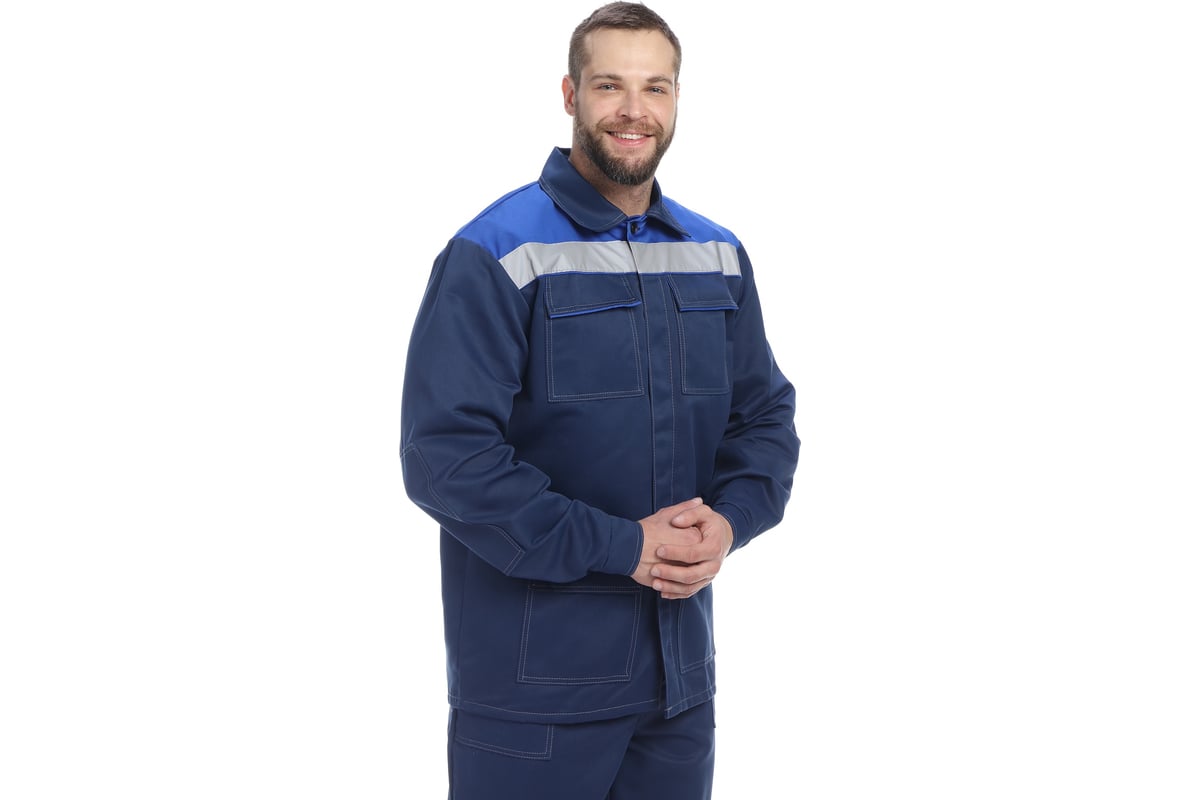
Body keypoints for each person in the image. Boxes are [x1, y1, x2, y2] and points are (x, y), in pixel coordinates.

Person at [400, 3, 800, 797]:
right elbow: (446, 460)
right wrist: (624, 546)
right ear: (570, 95)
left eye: (656, 87)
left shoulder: (715, 254)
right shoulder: (497, 250)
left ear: (677, 99)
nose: (633, 109)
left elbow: (764, 421)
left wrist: (730, 522)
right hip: (532, 698)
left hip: (678, 692)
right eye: (610, 84)